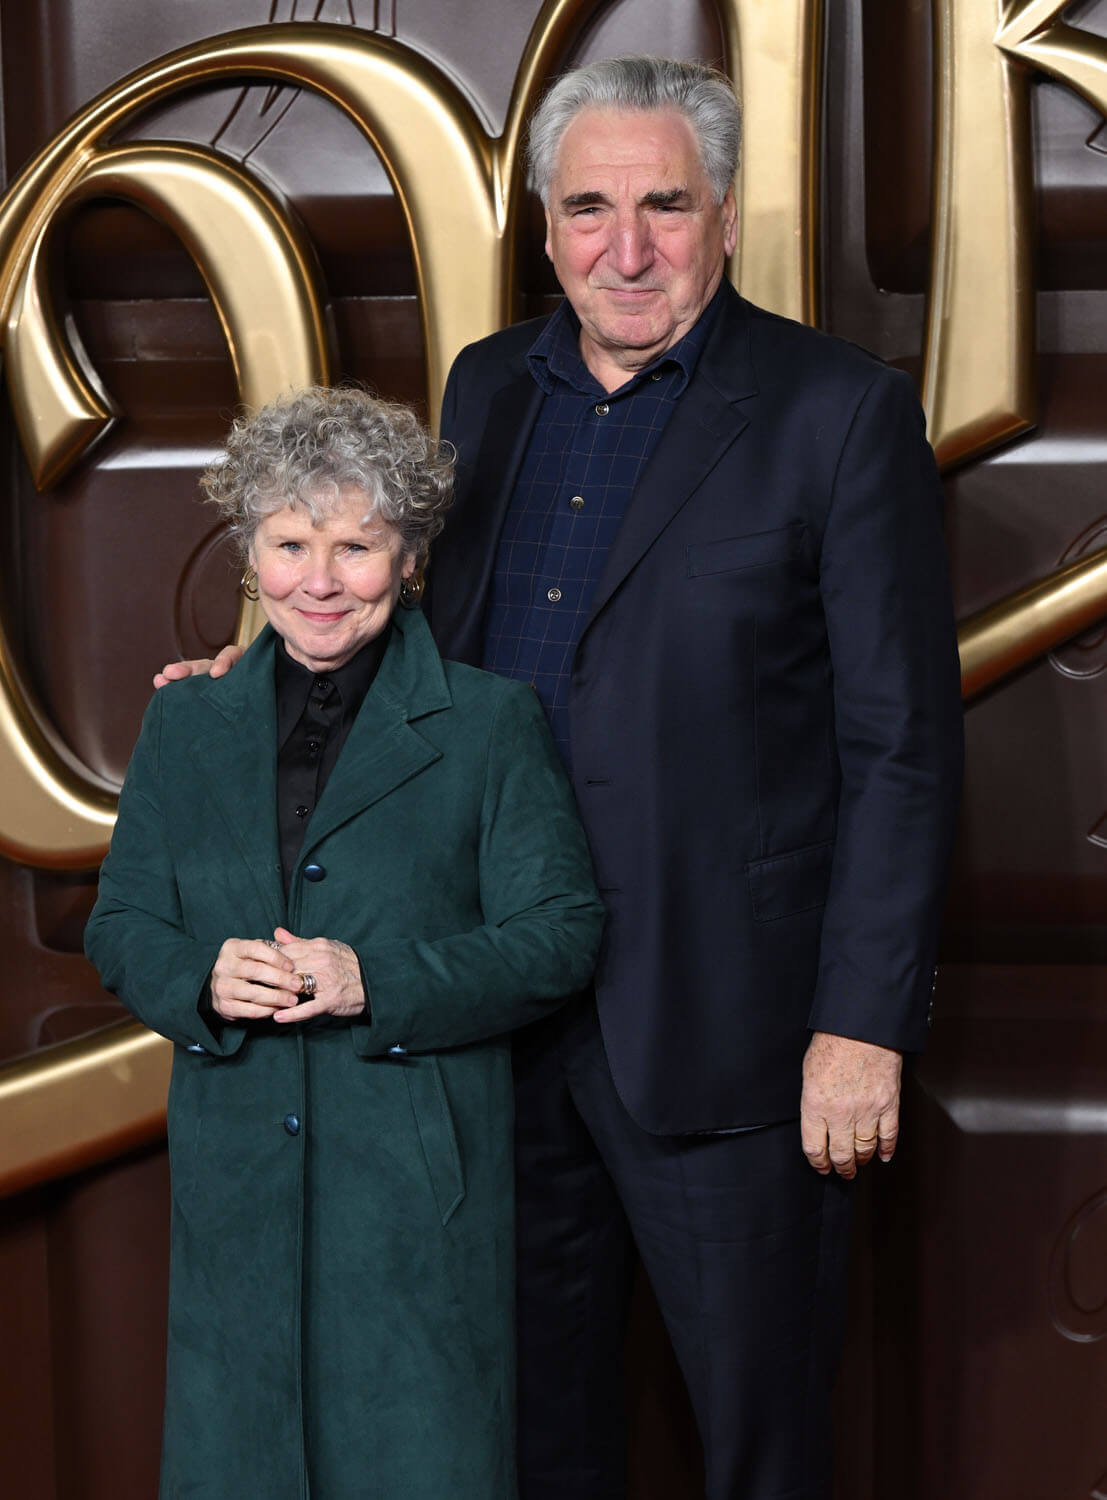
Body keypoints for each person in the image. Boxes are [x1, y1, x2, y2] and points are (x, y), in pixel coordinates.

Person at [158, 57, 964, 1500]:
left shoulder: (837, 412)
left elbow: (901, 747)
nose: (626, 248)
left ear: (726, 215)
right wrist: (267, 673)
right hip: (492, 1009)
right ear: (547, 226)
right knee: (519, 1437)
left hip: (728, 1029)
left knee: (759, 1444)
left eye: (666, 206)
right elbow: (419, 643)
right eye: (590, 209)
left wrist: (861, 1025)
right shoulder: (486, 389)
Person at [88, 386, 605, 1500]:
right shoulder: (185, 720)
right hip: (234, 1189)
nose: (317, 581)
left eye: (355, 548)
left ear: (408, 559)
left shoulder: (489, 722)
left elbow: (560, 935)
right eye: (289, 544)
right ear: (249, 556)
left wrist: (379, 980)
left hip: (416, 1194)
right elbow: (121, 922)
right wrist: (199, 977)